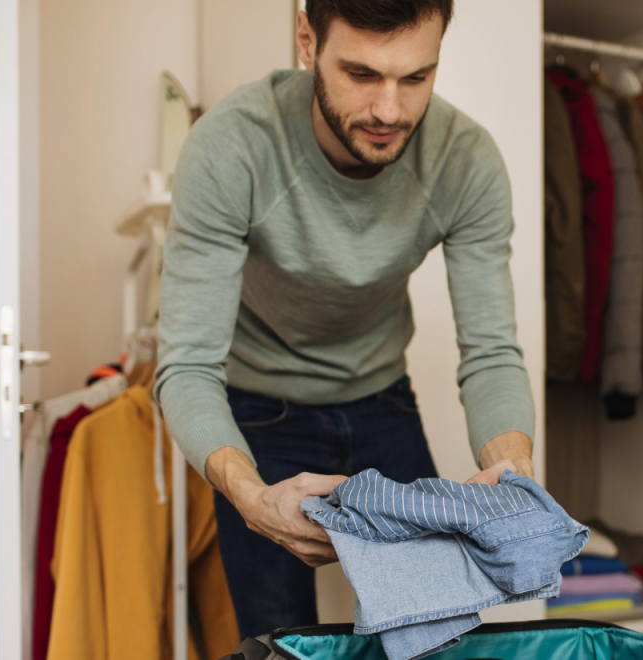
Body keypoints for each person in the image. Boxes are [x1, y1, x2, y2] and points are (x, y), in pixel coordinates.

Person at [154, 0, 535, 639]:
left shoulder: (466, 160)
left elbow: (492, 352)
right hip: (257, 408)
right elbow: (188, 366)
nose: (389, 111)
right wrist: (250, 495)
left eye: (416, 77)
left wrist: (513, 470)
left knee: (434, 629)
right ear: (307, 40)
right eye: (361, 74)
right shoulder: (230, 146)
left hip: (382, 399)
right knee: (279, 641)